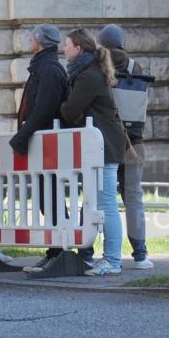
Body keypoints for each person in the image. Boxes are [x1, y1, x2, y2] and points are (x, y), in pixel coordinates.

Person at [60, 28, 127, 276]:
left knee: (106, 203)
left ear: (78, 48)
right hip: (103, 143)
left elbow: (70, 110)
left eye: (67, 44)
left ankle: (112, 260)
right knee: (99, 202)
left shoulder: (88, 76)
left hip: (104, 145)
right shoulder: (90, 71)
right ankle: (100, 257)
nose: (64, 49)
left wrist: (62, 105)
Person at [10, 25, 69, 272]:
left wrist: (22, 136)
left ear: (40, 41)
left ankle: (61, 251)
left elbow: (43, 109)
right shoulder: (43, 67)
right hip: (43, 142)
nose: (29, 40)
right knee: (47, 198)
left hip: (48, 144)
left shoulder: (49, 69)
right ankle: (56, 250)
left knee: (51, 198)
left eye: (32, 37)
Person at [98, 24, 154, 269]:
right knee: (133, 197)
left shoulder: (98, 66)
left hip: (107, 142)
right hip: (135, 142)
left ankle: (95, 252)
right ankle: (140, 254)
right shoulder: (135, 67)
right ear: (122, 43)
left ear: (102, 43)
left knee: (102, 199)